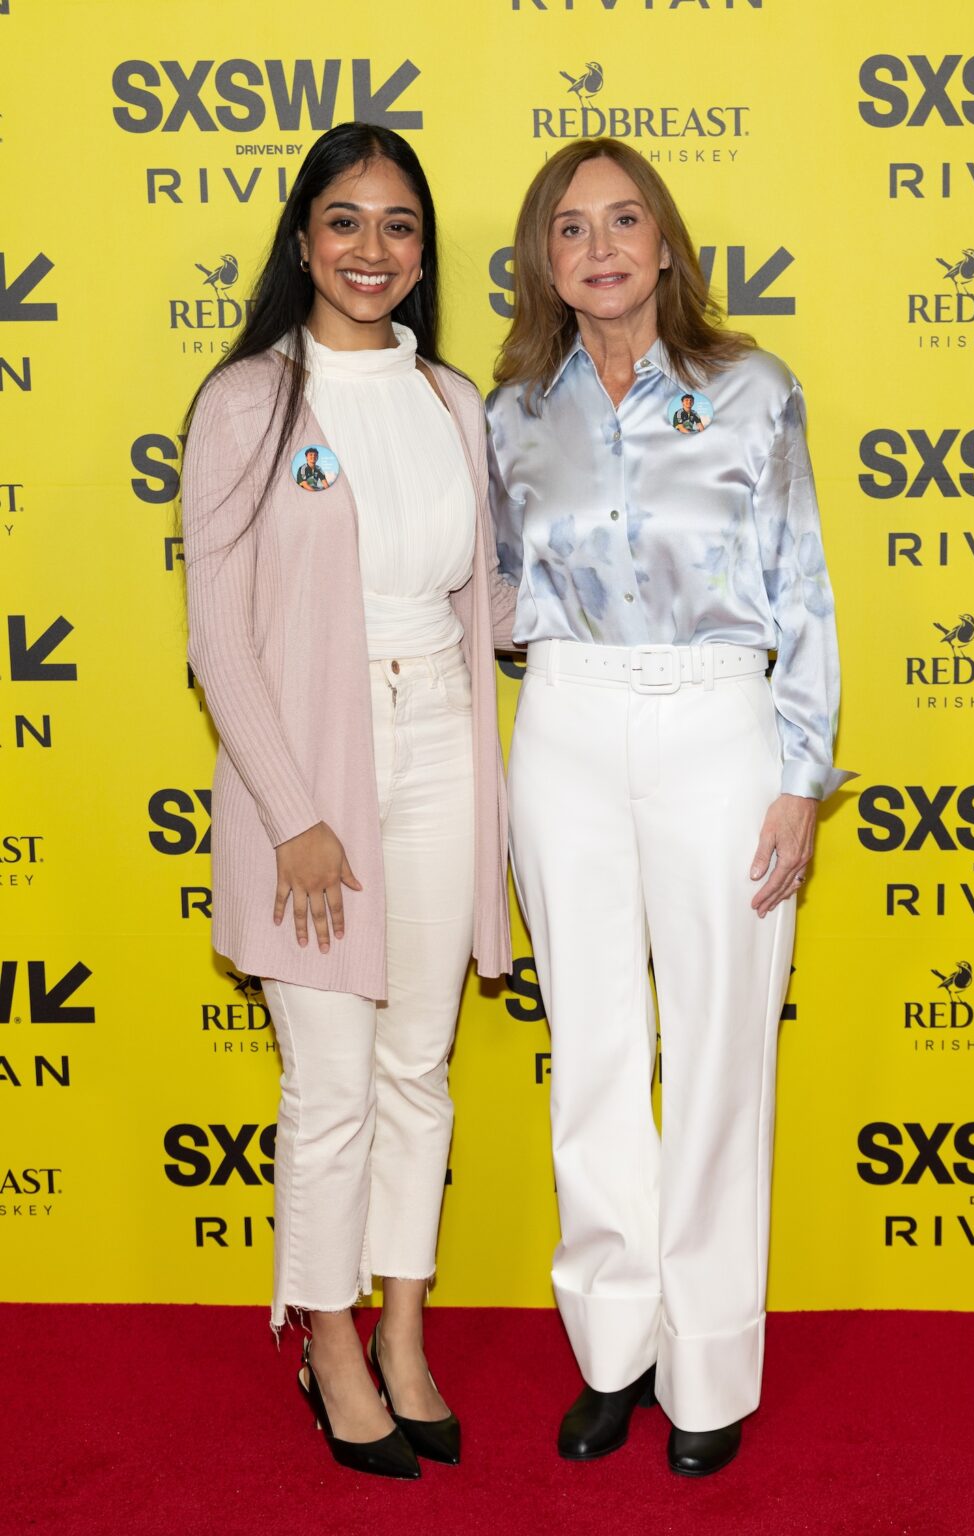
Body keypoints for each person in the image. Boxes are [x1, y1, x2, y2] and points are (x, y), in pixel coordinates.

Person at [486, 138, 852, 1479]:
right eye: (572, 227)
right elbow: (505, 590)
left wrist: (800, 778)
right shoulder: (513, 410)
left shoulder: (754, 390)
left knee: (716, 1057)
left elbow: (801, 586)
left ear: (664, 239)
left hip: (719, 719)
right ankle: (613, 1353)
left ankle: (709, 1367)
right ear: (545, 260)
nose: (601, 245)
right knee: (590, 1050)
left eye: (623, 217)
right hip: (569, 721)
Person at [182, 122, 514, 1481]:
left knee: (417, 1070)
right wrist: (296, 815)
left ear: (423, 250)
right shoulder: (250, 401)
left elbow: (484, 604)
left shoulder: (452, 399)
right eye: (344, 221)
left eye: (398, 226)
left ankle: (405, 1334)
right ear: (302, 237)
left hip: (441, 743)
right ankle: (326, 1344)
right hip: (314, 775)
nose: (371, 251)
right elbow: (219, 635)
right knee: (328, 1084)